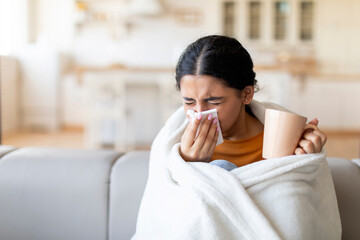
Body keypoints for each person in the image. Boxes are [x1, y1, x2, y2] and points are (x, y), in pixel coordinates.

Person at [175, 35, 327, 170]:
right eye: (189, 102)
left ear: (246, 94)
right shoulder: (177, 144)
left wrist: (305, 161)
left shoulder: (281, 139)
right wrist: (187, 164)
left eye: (213, 101)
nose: (199, 113)